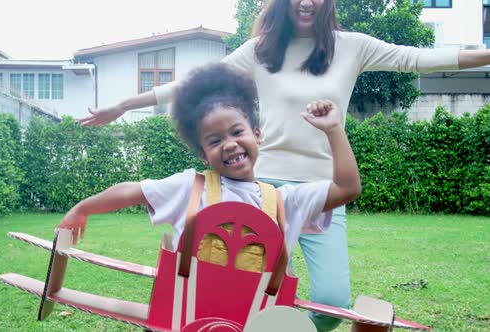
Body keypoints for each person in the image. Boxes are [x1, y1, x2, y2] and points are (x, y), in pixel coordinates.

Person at [77, 1, 490, 330]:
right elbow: (193, 83)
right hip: (264, 189)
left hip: (322, 190)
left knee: (330, 303)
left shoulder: (354, 46)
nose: (306, 2)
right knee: (255, 292)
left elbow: (421, 59)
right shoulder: (258, 52)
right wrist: (124, 105)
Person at [58, 64, 361, 285]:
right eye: (215, 141)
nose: (229, 144)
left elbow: (347, 188)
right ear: (203, 154)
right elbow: (133, 190)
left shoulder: (287, 202)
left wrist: (333, 129)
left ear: (258, 136)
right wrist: (82, 208)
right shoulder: (190, 188)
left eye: (237, 132)